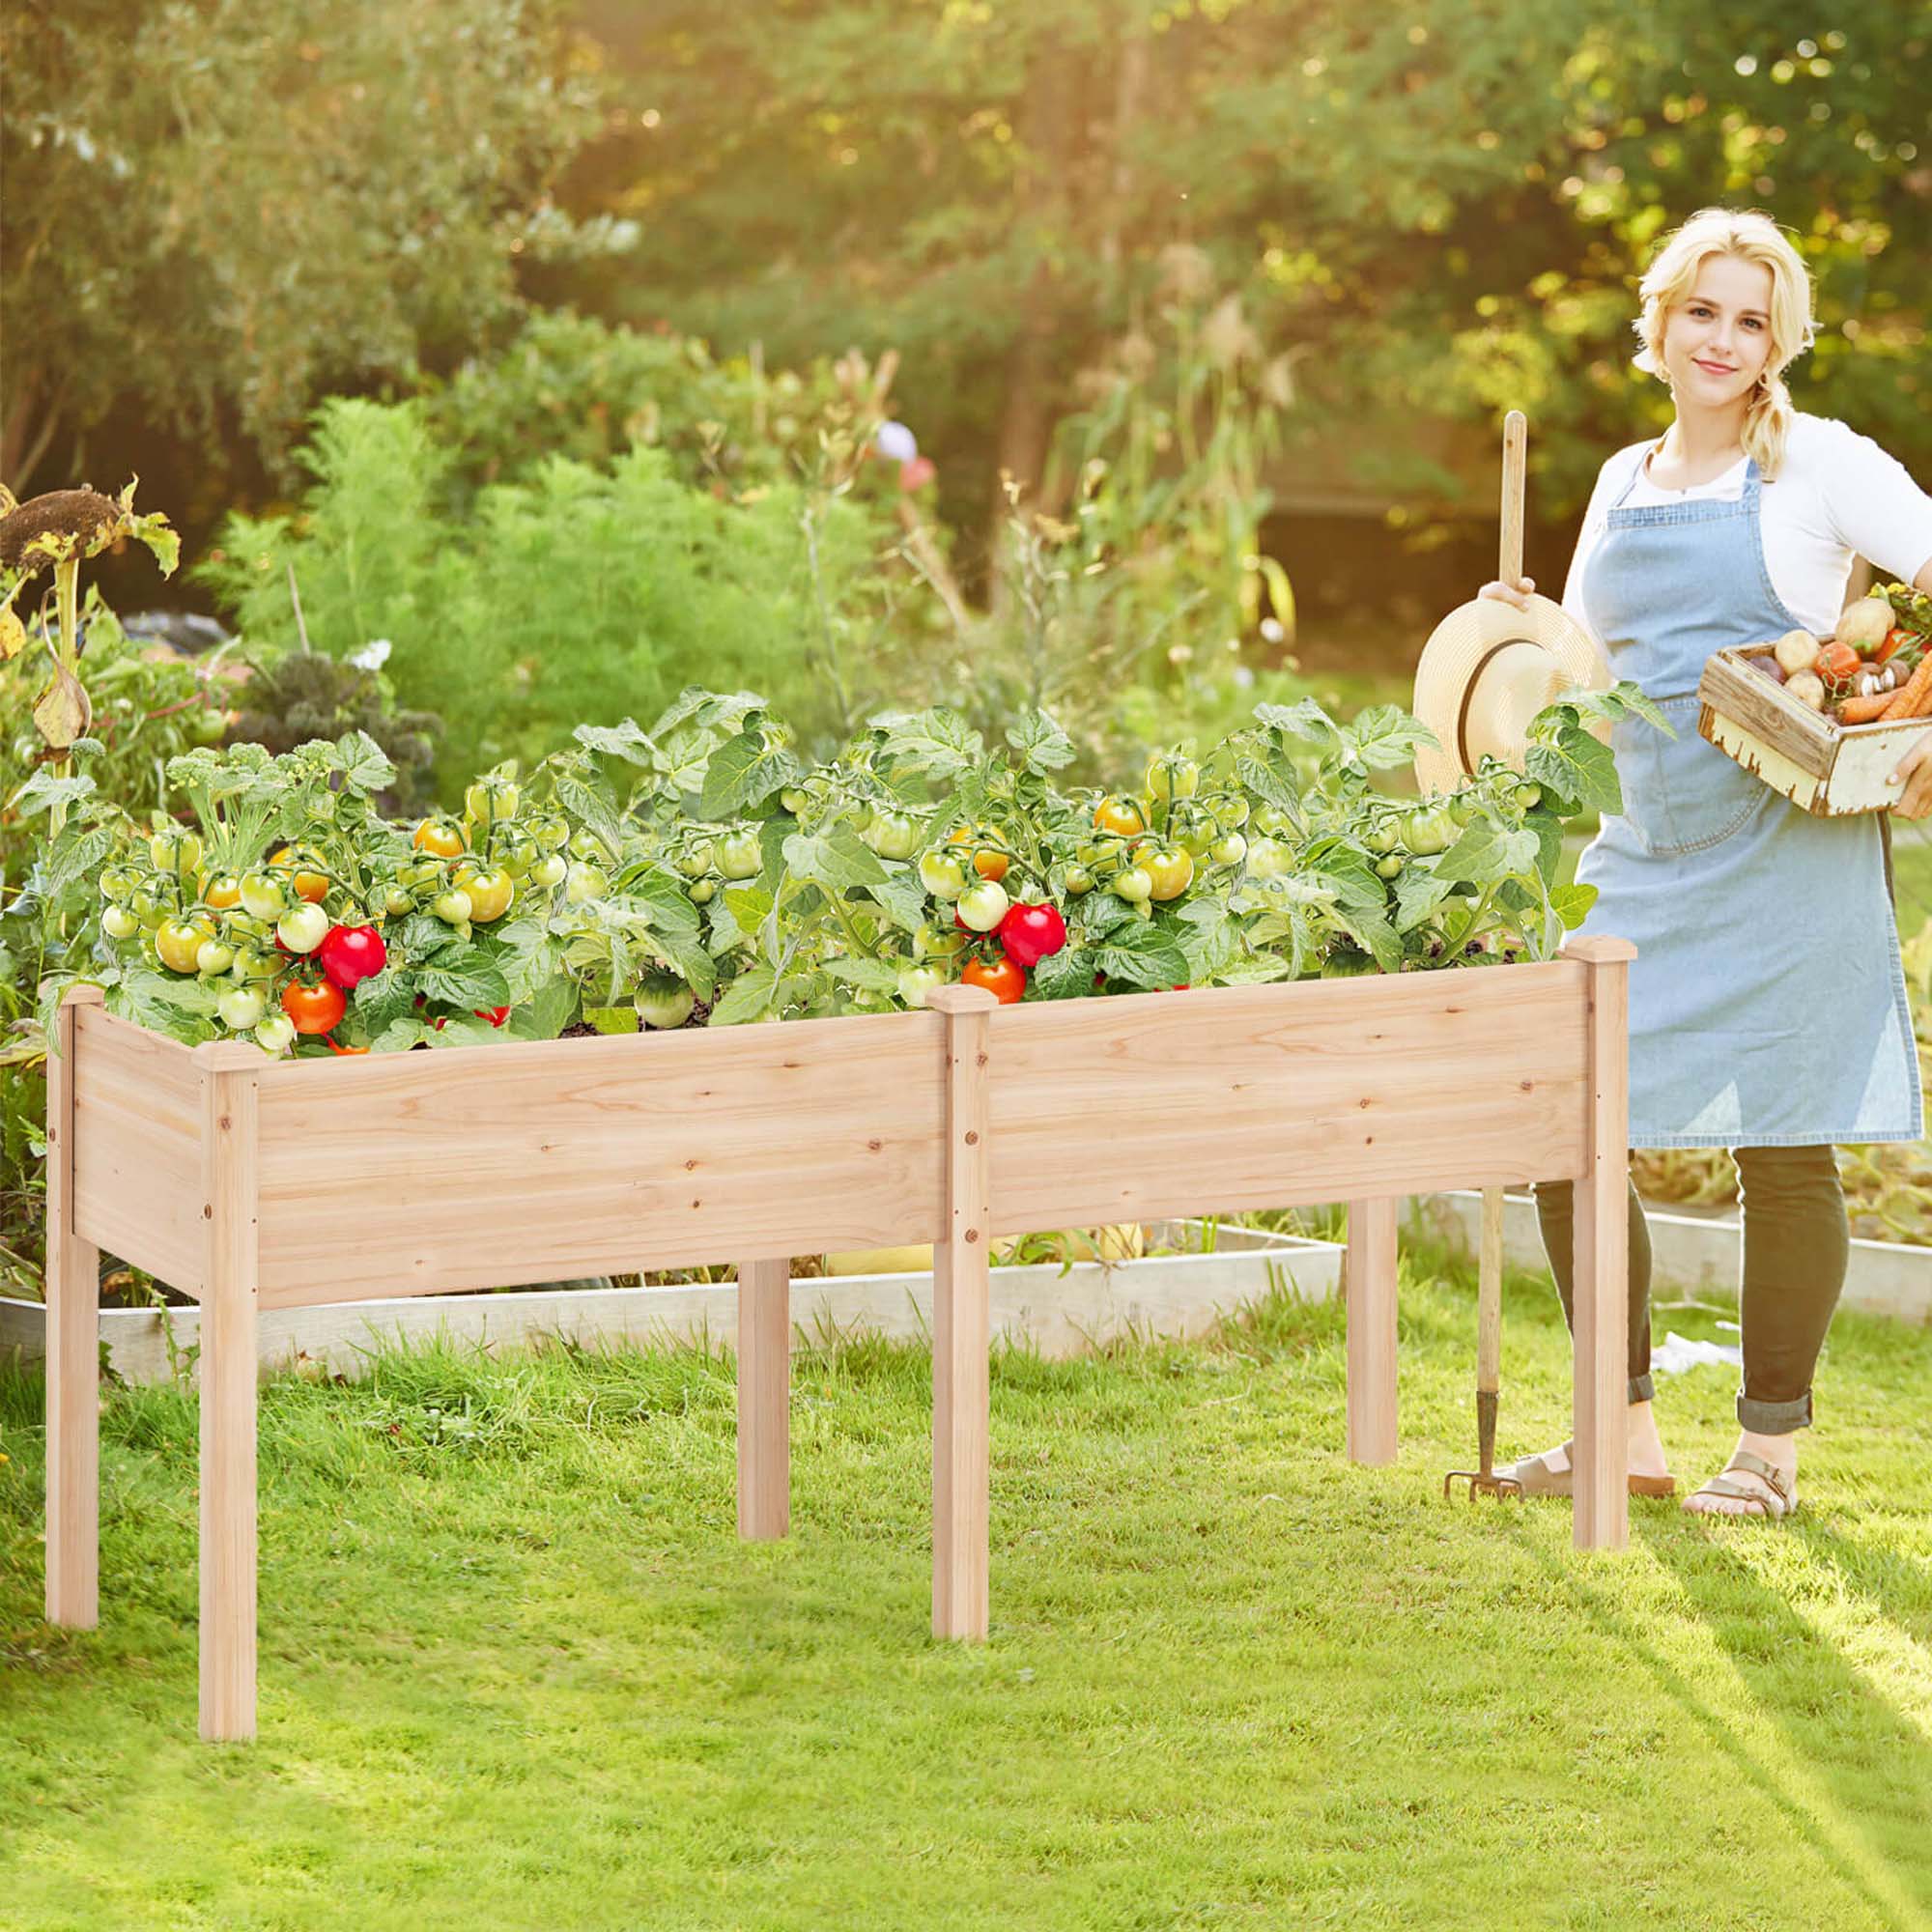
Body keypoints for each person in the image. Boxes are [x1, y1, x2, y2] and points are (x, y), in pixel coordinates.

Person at [1479, 207, 1932, 1520]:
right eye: (1703, 312)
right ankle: (1620, 1436)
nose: (1724, 340)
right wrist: (1519, 631)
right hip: (1642, 845)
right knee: (1573, 1126)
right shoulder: (1621, 481)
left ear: (1778, 341)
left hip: (1790, 848)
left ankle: (1767, 1455)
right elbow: (1586, 668)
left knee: (1783, 1148)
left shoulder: (1821, 465)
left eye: (1751, 319)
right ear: (1661, 324)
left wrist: (1920, 725)